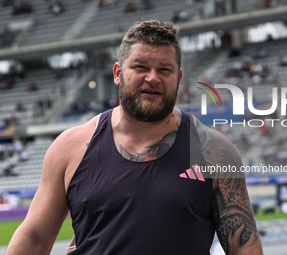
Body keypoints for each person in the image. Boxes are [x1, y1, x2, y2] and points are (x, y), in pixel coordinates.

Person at [5, 20, 263, 255]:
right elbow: (35, 238)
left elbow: (245, 248)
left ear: (179, 79)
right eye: (140, 67)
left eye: (165, 69)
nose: (153, 78)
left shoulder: (214, 152)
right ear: (117, 73)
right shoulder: (70, 147)